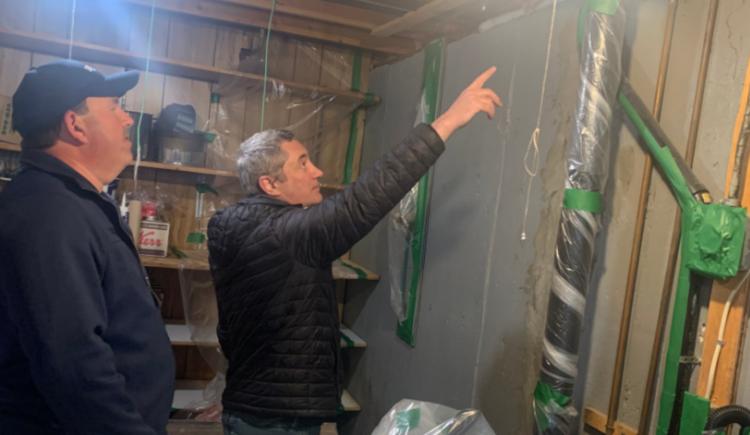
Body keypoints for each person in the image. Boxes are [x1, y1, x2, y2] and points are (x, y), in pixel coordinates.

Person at [207, 67, 502, 435]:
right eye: (302, 164)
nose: (317, 171)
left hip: (252, 406)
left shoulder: (230, 226)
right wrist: (450, 119)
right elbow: (362, 201)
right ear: (270, 184)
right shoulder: (288, 234)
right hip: (278, 420)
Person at [0, 60, 175, 434]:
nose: (128, 120)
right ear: (75, 124)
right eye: (115, 107)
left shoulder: (72, 199)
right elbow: (72, 360)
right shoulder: (48, 211)